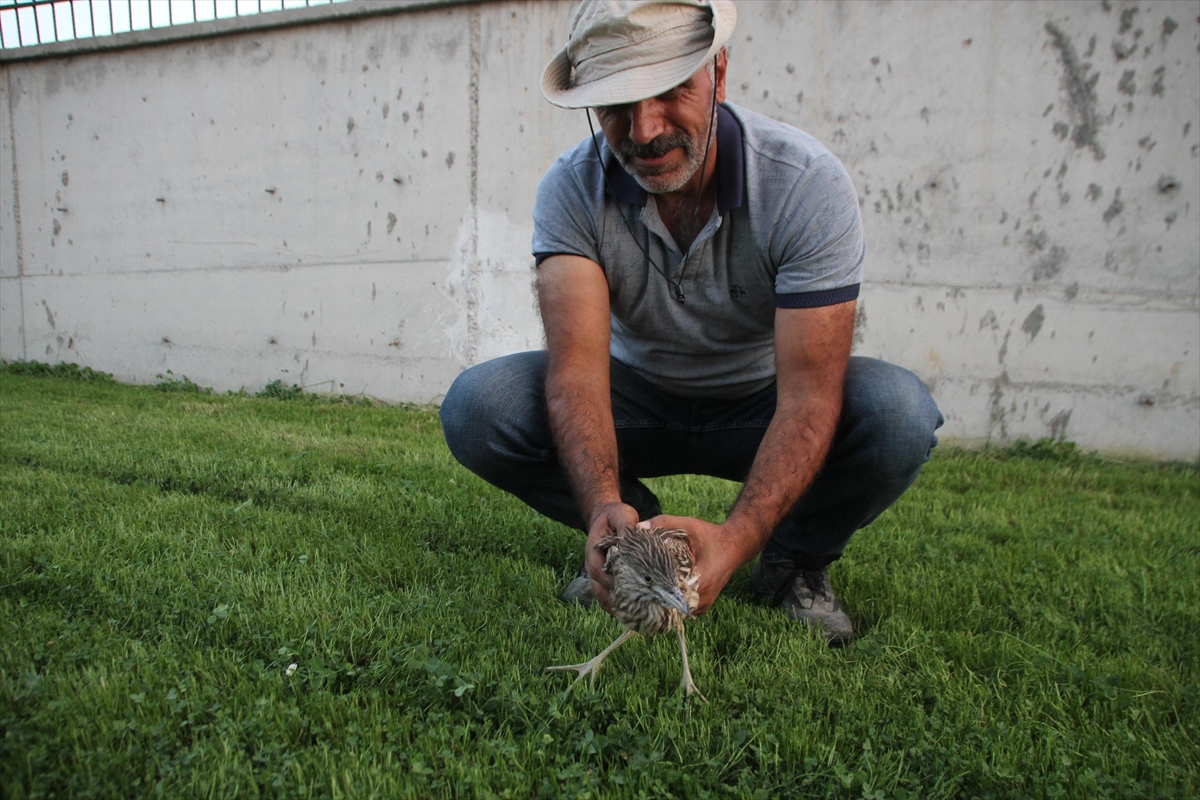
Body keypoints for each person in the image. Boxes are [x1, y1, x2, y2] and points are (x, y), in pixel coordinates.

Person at [440, 0, 942, 646]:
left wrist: (736, 541)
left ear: (719, 74)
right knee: (480, 406)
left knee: (897, 413)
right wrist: (601, 508)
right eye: (618, 104)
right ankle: (634, 548)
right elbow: (577, 378)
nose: (645, 130)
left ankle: (791, 561)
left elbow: (811, 398)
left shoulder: (804, 183)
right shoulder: (569, 190)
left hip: (762, 403)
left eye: (670, 91)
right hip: (636, 396)